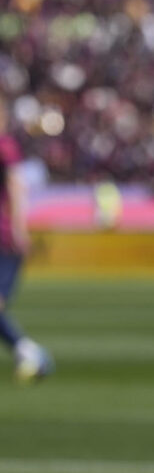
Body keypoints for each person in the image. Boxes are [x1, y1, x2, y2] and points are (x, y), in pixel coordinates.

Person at [0, 94, 53, 385]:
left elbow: (16, 185)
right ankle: (27, 350)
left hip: (4, 238)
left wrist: (20, 228)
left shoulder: (5, 146)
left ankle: (27, 351)